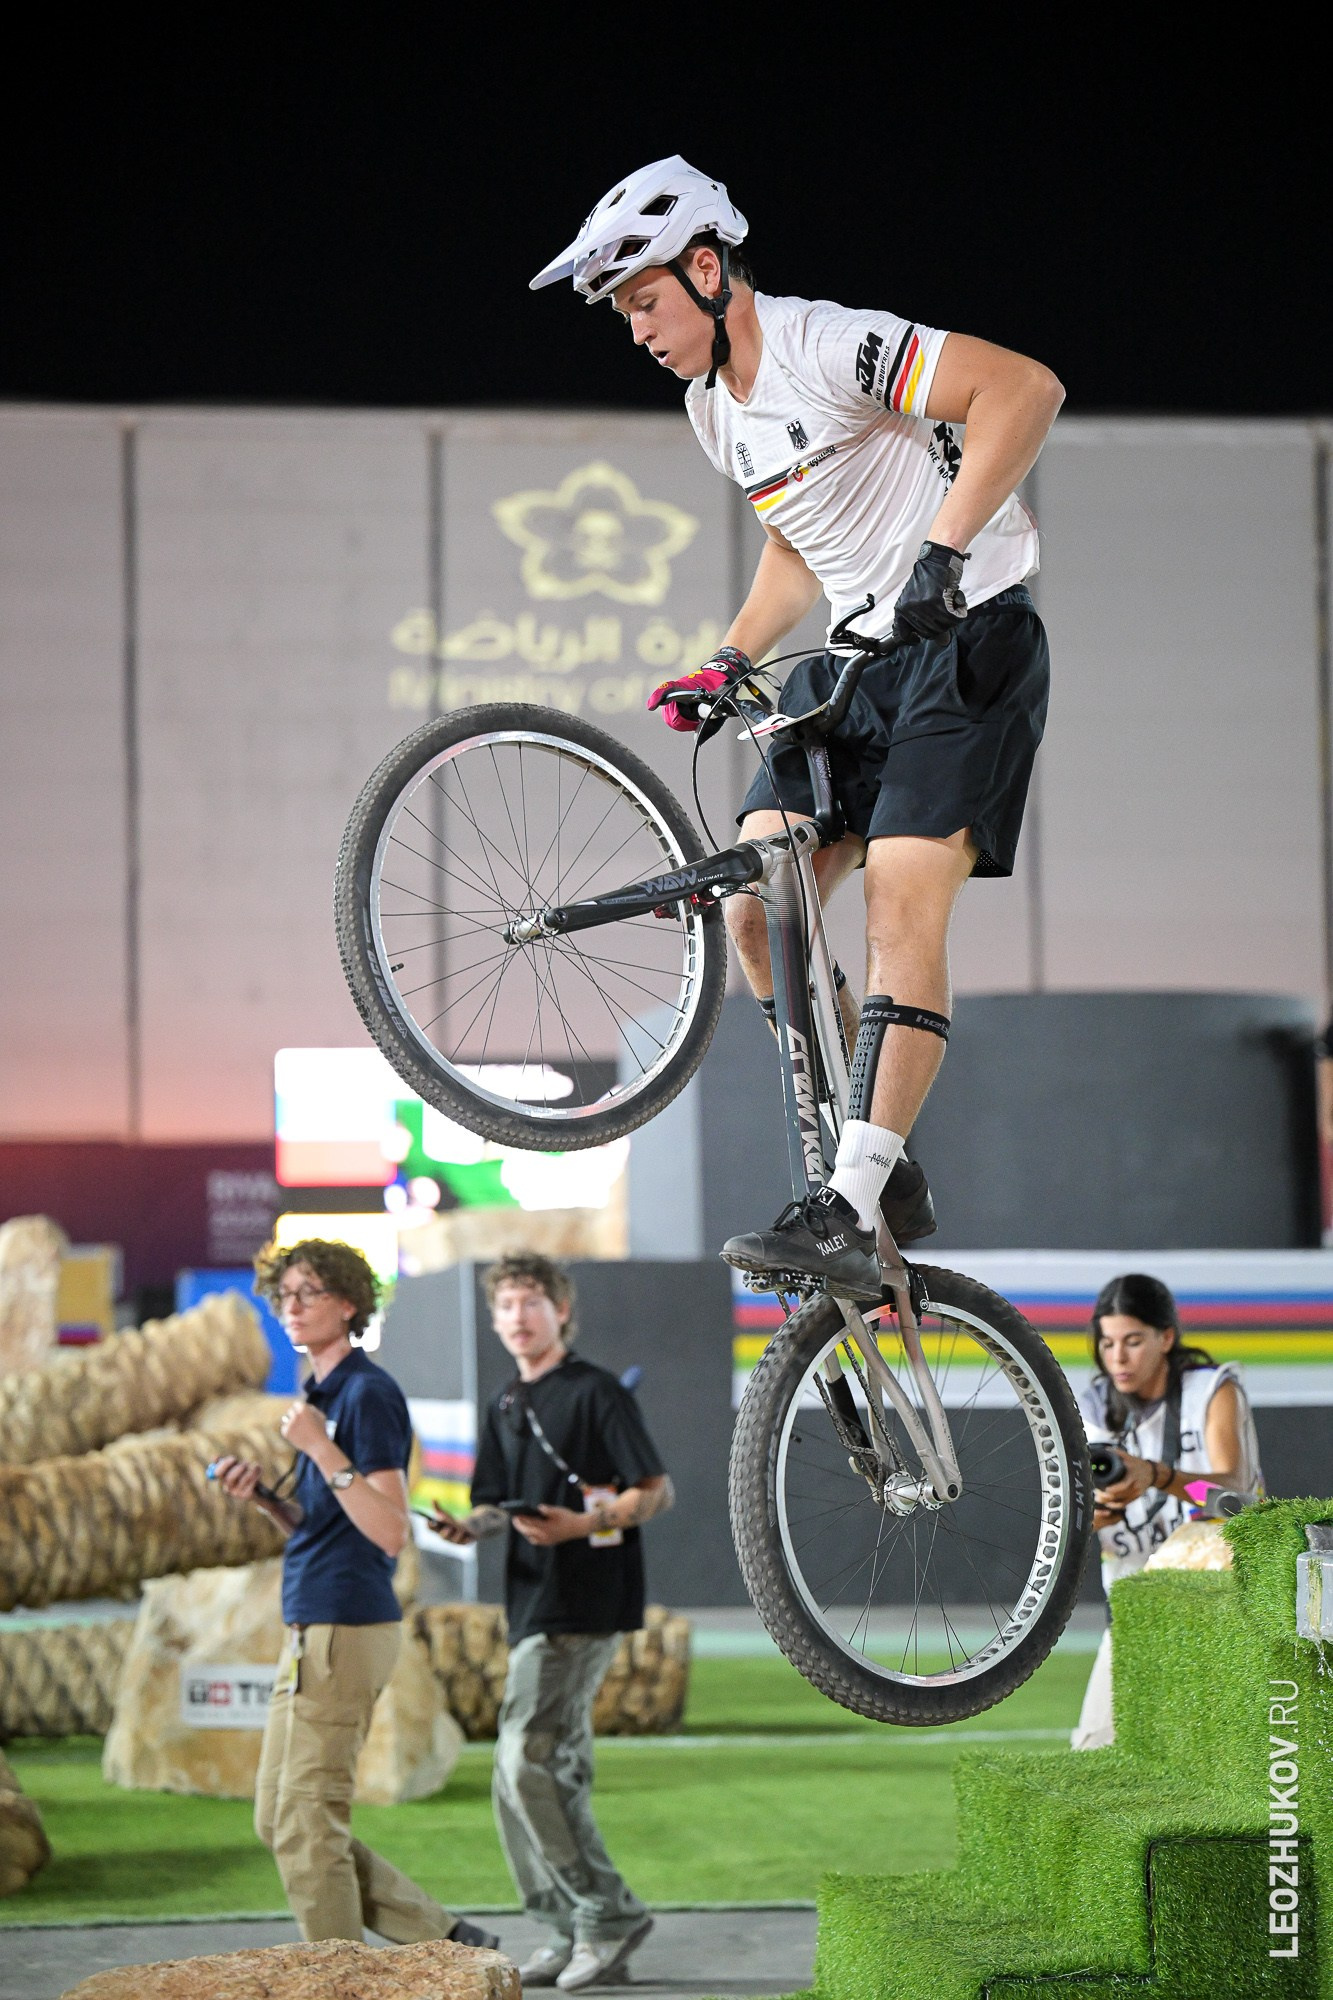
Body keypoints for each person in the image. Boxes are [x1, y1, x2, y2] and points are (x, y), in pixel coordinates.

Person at [531, 156, 1064, 1297]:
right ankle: (885, 1158)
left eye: (643, 301)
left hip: (968, 643)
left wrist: (943, 553)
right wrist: (728, 655)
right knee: (755, 911)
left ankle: (846, 1197)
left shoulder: (828, 342)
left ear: (708, 268)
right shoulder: (711, 408)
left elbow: (1023, 388)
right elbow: (797, 538)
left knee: (896, 907)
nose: (636, 330)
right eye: (623, 312)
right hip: (857, 663)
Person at [212, 1237, 495, 1950]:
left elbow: (389, 1530)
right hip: (313, 1625)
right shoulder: (321, 1396)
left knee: (307, 1824)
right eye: (284, 1296)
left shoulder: (366, 1394)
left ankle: (343, 1985)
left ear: (347, 1303)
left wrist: (320, 1450)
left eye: (309, 1292)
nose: (292, 1307)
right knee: (278, 1821)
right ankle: (444, 1939)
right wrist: (268, 1502)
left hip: (345, 1626)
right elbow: (328, 1519)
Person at [428, 1252, 672, 1991]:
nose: (517, 1316)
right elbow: (498, 1503)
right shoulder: (505, 1403)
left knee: (522, 1762)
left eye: (531, 1301)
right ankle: (569, 1929)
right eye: (505, 1304)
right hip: (530, 1601)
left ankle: (606, 1915)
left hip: (585, 1601)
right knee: (534, 1775)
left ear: (561, 1309)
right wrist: (470, 1528)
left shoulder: (596, 1393)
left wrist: (581, 1524)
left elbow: (654, 1493)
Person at [1072, 1271, 1263, 1750]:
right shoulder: (1090, 1405)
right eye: (1107, 1342)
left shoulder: (1212, 1390)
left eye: (1133, 1340)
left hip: (1222, 1612)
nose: (1117, 1357)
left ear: (1167, 1337)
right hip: (1135, 1610)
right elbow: (1065, 1518)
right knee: (1092, 1752)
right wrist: (1092, 1516)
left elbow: (1237, 1501)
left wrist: (1157, 1476)